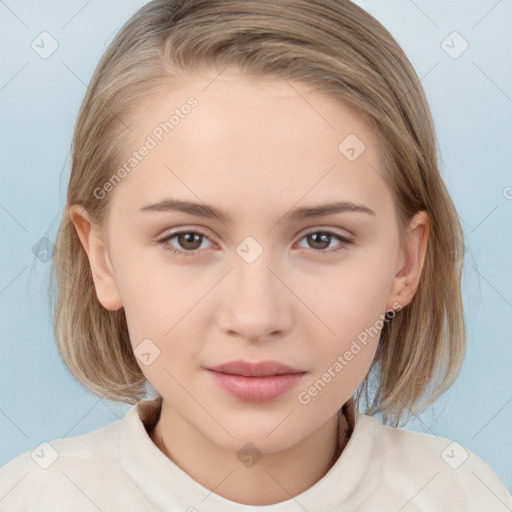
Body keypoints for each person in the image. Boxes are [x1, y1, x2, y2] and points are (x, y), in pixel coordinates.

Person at [1, 0, 510, 510]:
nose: (255, 317)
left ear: (405, 262)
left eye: (321, 239)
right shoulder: (32, 498)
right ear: (103, 259)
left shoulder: (459, 495)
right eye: (188, 239)